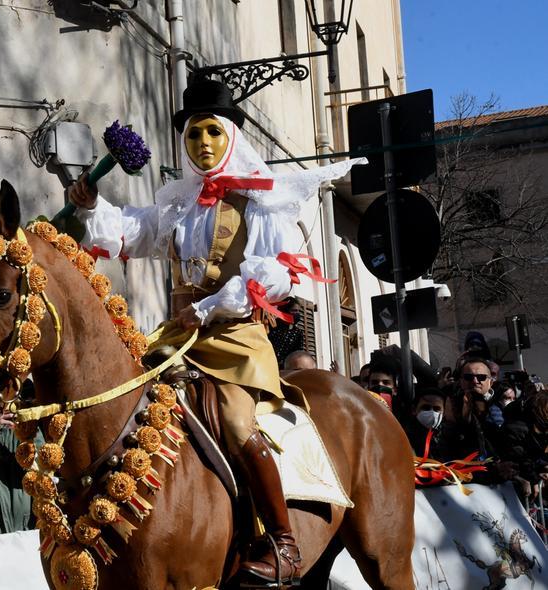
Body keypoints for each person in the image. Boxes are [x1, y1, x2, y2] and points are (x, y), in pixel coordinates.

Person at [68, 78, 362, 584]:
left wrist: (209, 308)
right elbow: (130, 232)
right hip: (175, 340)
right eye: (192, 134)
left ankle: (284, 543)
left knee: (235, 421)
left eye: (211, 132)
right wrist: (92, 205)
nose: (202, 143)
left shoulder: (259, 202)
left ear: (230, 136)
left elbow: (273, 273)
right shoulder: (177, 205)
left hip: (234, 340)